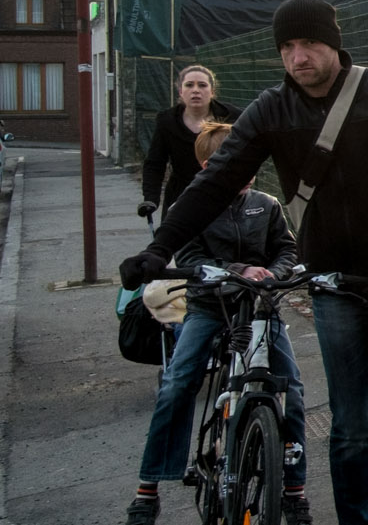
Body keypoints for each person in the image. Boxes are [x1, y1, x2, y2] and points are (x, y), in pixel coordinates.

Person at [121, 0, 368, 525]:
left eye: (310, 43)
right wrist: (160, 247)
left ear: (334, 44)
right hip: (332, 282)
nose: (299, 56)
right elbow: (214, 183)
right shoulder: (271, 110)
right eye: (288, 47)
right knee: (349, 426)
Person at [122, 121, 311, 525]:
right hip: (210, 306)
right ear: (210, 165)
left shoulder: (267, 204)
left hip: (261, 308)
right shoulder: (190, 207)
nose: (246, 175)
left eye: (251, 166)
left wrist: (272, 275)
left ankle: (294, 489)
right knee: (177, 382)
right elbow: (188, 258)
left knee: (292, 386)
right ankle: (148, 488)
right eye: (236, 165)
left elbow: (286, 248)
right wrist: (238, 268)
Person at [138, 65, 239, 220]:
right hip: (180, 196)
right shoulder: (167, 121)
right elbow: (155, 163)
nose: (196, 90)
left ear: (212, 91)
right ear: (180, 91)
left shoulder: (232, 117)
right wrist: (151, 198)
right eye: (189, 85)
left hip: (222, 195)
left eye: (202, 85)